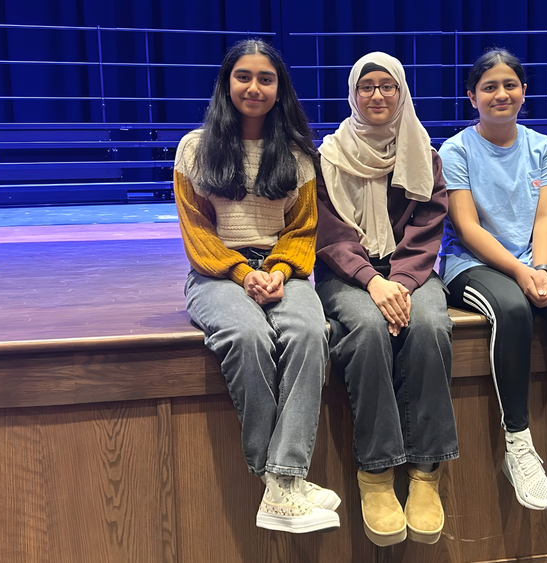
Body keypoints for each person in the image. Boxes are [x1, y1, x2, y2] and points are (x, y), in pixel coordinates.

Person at [173, 39, 340, 534]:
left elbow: (303, 229)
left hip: (282, 268)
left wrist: (279, 272)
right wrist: (243, 273)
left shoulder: (298, 153)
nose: (254, 87)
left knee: (309, 333)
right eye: (243, 76)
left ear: (279, 88)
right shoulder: (195, 148)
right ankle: (284, 481)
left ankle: (281, 480)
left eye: (266, 79)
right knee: (247, 336)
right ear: (227, 83)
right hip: (218, 271)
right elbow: (197, 232)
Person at [438, 48, 547, 511]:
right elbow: (467, 227)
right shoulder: (455, 150)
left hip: (535, 259)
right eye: (489, 87)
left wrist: (543, 270)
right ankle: (518, 443)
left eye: (510, 85)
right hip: (473, 263)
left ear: (524, 92)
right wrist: (520, 272)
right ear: (472, 97)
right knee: (511, 310)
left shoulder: (544, 148)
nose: (501, 94)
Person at [315, 52, 457, 547]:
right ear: (353, 94)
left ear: (401, 92)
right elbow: (329, 234)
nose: (377, 95)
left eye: (387, 86)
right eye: (366, 86)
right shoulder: (329, 155)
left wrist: (399, 280)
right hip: (347, 272)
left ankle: (425, 472)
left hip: (408, 272)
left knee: (431, 326)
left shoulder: (423, 153)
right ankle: (376, 473)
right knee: (369, 328)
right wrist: (372, 281)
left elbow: (428, 227)